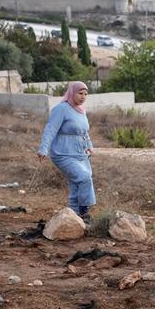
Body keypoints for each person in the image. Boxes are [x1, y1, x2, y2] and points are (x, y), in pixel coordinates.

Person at [38, 81, 96, 223]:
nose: (83, 97)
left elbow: (84, 132)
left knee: (77, 182)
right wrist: (43, 149)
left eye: (85, 94)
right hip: (63, 153)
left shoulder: (81, 110)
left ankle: (73, 215)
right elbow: (50, 129)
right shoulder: (61, 109)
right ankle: (84, 213)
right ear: (72, 93)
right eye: (80, 93)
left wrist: (89, 145)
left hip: (80, 152)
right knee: (84, 177)